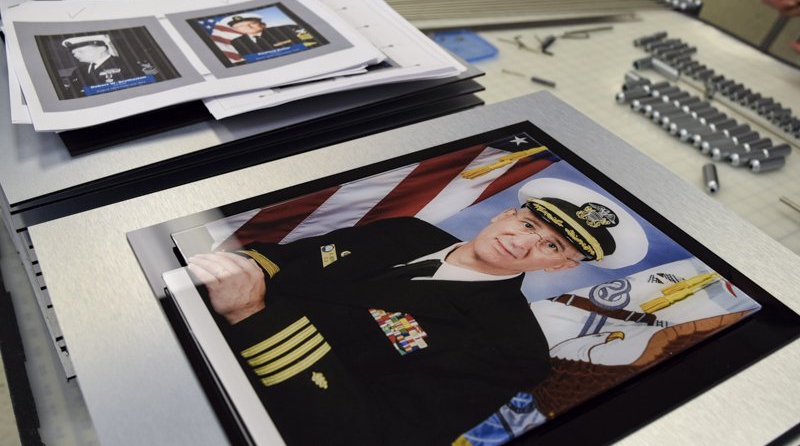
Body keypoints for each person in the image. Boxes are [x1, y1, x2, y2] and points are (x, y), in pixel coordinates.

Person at [188, 177, 645, 445]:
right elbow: (279, 259)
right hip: (189, 323)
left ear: (561, 265)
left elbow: (368, 434)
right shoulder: (405, 233)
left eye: (550, 244)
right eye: (527, 223)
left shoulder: (513, 349)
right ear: (503, 215)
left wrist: (252, 314)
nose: (522, 242)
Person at [61, 35, 142, 98]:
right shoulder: (78, 71)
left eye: (81, 51)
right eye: (74, 53)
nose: (76, 55)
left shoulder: (126, 65)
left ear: (101, 49)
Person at [223, 13, 318, 58]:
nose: (248, 27)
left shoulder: (287, 29)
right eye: (240, 26)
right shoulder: (237, 42)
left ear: (263, 24)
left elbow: (313, 45)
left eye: (252, 23)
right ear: (235, 30)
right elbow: (249, 58)